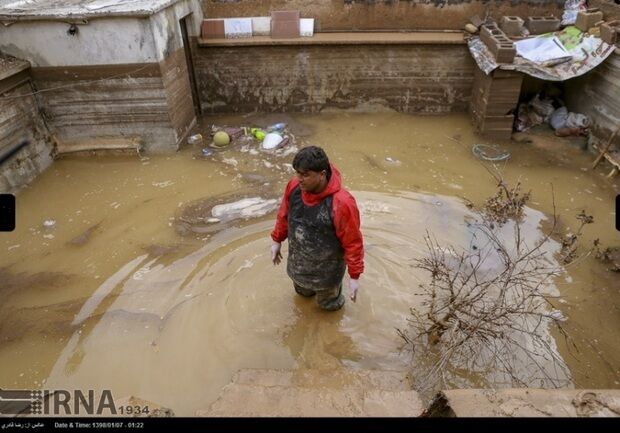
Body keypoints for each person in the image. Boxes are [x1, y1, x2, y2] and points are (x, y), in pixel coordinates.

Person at [270, 146, 364, 311]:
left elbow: (353, 242)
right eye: (298, 173)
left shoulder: (342, 202)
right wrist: (276, 240)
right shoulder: (293, 187)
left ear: (322, 174)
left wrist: (354, 276)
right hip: (298, 266)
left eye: (306, 175)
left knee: (329, 307)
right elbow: (284, 214)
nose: (300, 179)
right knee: (302, 296)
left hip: (328, 273)